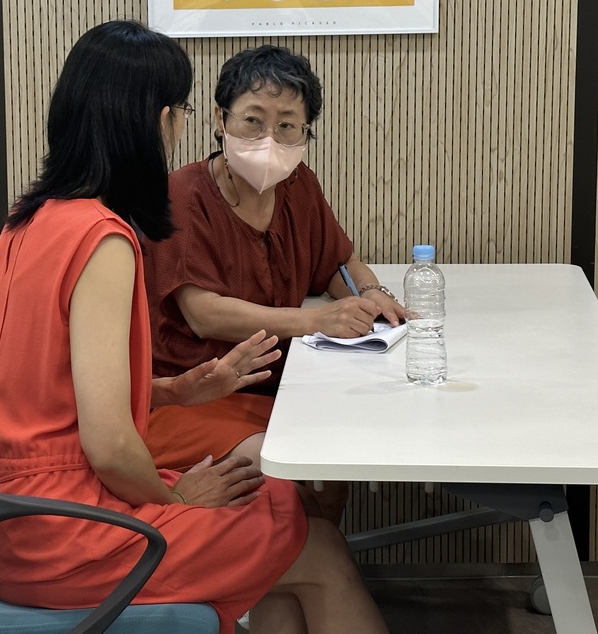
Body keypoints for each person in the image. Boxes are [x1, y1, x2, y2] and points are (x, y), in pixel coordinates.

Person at [0, 21, 388, 634]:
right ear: (161, 120)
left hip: (4, 513)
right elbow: (110, 445)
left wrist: (175, 390)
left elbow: (53, 392)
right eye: (182, 111)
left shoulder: (26, 220)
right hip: (68, 533)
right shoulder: (103, 239)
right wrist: (175, 500)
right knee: (315, 544)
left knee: (279, 505)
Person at [143, 45, 405, 520]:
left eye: (287, 125)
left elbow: (337, 262)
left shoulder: (299, 184)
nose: (269, 139)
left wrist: (371, 296)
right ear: (220, 119)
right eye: (253, 120)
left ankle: (316, 554)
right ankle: (307, 554)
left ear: (306, 133)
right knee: (295, 476)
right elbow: (203, 314)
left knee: (336, 456)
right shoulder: (182, 194)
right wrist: (318, 320)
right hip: (193, 397)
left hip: (279, 389)